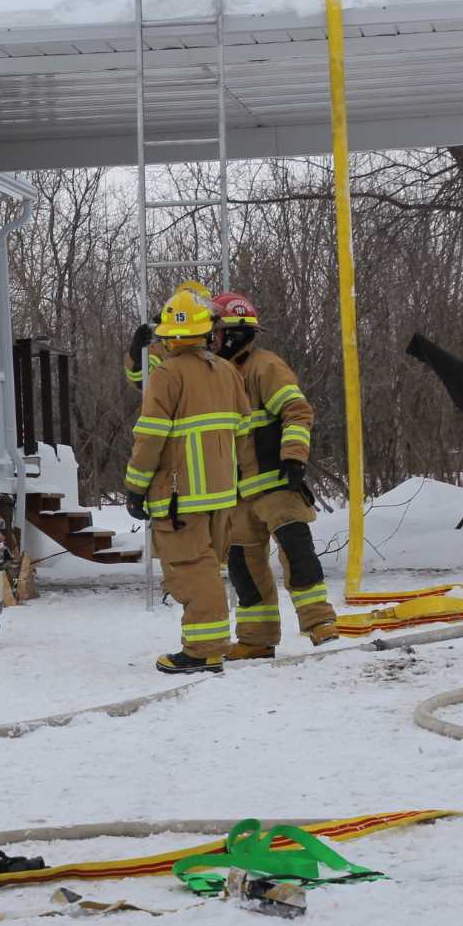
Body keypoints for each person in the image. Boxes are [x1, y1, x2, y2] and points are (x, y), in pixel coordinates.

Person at [123, 285, 256, 673]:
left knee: (190, 569)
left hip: (179, 495)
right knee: (208, 567)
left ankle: (204, 649)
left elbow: (149, 438)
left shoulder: (167, 375)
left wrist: (135, 487)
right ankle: (208, 643)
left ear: (169, 335)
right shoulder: (227, 371)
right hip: (220, 495)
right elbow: (243, 426)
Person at [210, 291, 338, 657]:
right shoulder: (215, 374)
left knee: (298, 554)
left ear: (233, 333)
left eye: (216, 332)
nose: (211, 340)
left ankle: (320, 623)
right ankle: (255, 639)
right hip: (236, 495)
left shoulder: (265, 367)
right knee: (244, 569)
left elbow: (297, 411)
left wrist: (294, 457)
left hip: (275, 485)